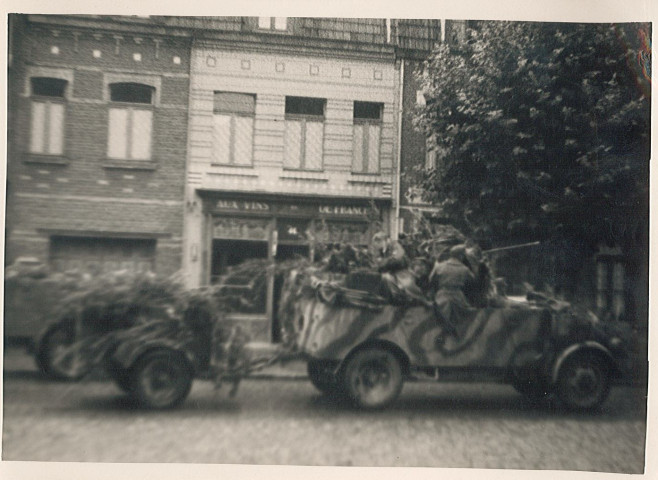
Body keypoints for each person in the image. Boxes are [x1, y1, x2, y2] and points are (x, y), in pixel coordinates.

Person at [429, 245, 476, 339]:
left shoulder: (441, 266)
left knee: (439, 316)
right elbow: (472, 281)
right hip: (458, 296)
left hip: (442, 295)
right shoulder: (464, 269)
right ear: (461, 256)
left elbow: (431, 279)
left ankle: (442, 335)